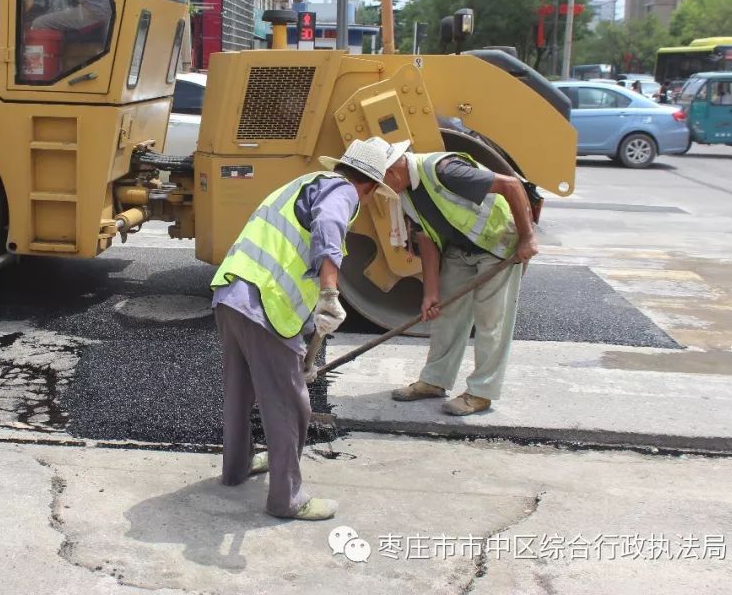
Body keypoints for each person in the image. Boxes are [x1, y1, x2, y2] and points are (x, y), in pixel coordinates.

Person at [211, 137, 398, 521]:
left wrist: (301, 343)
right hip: (264, 305)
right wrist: (330, 293)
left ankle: (237, 468)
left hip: (232, 292)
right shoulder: (343, 192)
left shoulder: (305, 183)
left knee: (240, 389)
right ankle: (287, 499)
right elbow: (328, 226)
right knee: (290, 404)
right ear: (372, 185)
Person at [384, 140, 538, 416]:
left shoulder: (447, 171)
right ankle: (434, 380)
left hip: (498, 244)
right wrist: (430, 293)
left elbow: (511, 186)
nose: (382, 192)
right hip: (460, 248)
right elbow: (426, 237)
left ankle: (481, 393)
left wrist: (527, 238)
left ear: (393, 172)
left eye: (381, 183)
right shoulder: (406, 192)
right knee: (446, 314)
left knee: (490, 321)